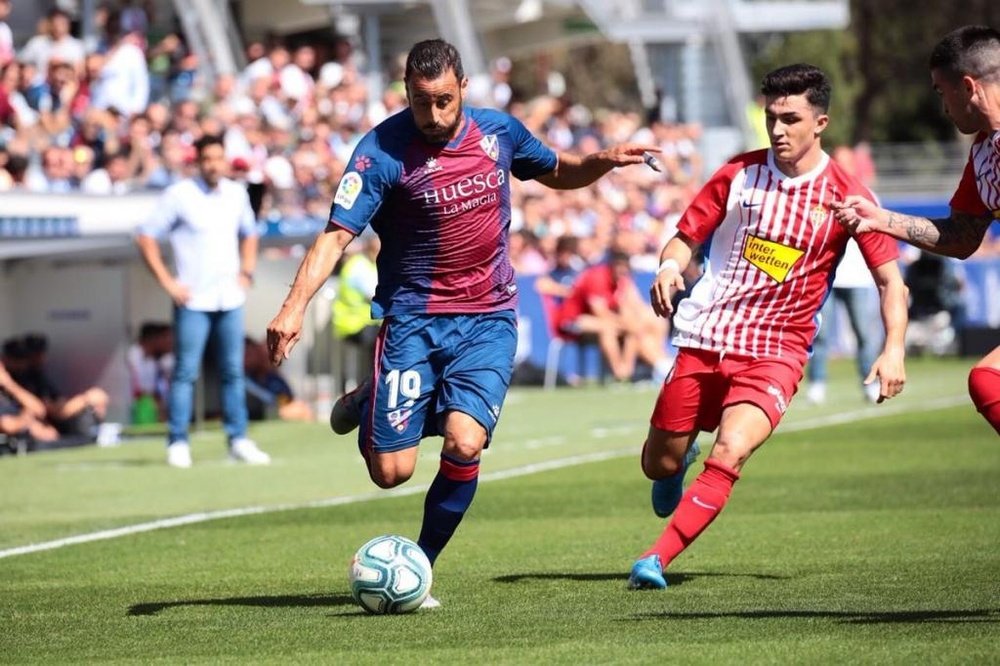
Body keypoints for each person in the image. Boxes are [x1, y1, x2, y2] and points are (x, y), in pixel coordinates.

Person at [266, 38, 657, 607]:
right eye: (421, 102)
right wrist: (293, 306)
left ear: (464, 88)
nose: (434, 115)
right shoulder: (379, 151)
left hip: (488, 318)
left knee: (465, 441)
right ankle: (378, 395)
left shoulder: (498, 133)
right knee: (391, 473)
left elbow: (558, 170)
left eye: (444, 100)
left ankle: (419, 565)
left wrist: (601, 161)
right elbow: (335, 236)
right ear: (406, 93)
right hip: (413, 320)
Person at [626, 63, 909, 590]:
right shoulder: (738, 174)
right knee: (656, 465)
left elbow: (893, 282)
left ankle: (654, 560)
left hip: (776, 351)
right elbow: (685, 238)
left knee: (731, 448)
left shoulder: (850, 198)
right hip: (705, 338)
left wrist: (893, 348)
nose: (778, 129)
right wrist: (668, 267)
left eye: (791, 118)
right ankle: (677, 460)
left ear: (820, 122)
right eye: (771, 117)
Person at [833, 25, 1000, 436]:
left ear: (967, 87)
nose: (942, 107)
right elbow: (961, 236)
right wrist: (880, 219)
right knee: (986, 380)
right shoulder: (983, 154)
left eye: (941, 92)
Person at [136, 134, 269, 468]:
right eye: (206, 158)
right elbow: (146, 235)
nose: (213, 164)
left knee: (232, 372)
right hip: (193, 299)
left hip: (229, 296)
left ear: (224, 160)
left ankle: (237, 438)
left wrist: (247, 272)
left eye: (217, 158)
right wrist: (168, 283)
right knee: (184, 372)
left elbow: (250, 233)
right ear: (197, 161)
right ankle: (178, 441)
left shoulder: (236, 194)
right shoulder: (179, 195)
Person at [555, 249, 674, 383]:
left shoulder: (622, 280)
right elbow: (600, 313)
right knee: (609, 329)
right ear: (612, 266)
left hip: (602, 321)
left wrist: (642, 321)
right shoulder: (597, 278)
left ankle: (630, 371)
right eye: (619, 269)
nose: (622, 273)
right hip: (573, 320)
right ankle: (619, 372)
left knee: (641, 327)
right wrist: (627, 324)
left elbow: (637, 305)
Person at [805, 240, 882, 404]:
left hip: (858, 280)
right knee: (820, 333)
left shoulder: (863, 214)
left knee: (863, 333)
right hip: (826, 278)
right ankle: (817, 383)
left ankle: (870, 383)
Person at [243, 337, 314, 422]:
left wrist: (290, 406)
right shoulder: (240, 378)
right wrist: (281, 409)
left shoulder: (272, 378)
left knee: (303, 410)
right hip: (257, 414)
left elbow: (287, 397)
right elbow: (260, 398)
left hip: (273, 412)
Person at [126, 321, 174, 424]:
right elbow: (136, 388)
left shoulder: (161, 359)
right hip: (136, 407)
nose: (170, 342)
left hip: (154, 405)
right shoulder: (134, 354)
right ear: (154, 339)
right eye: (165, 338)